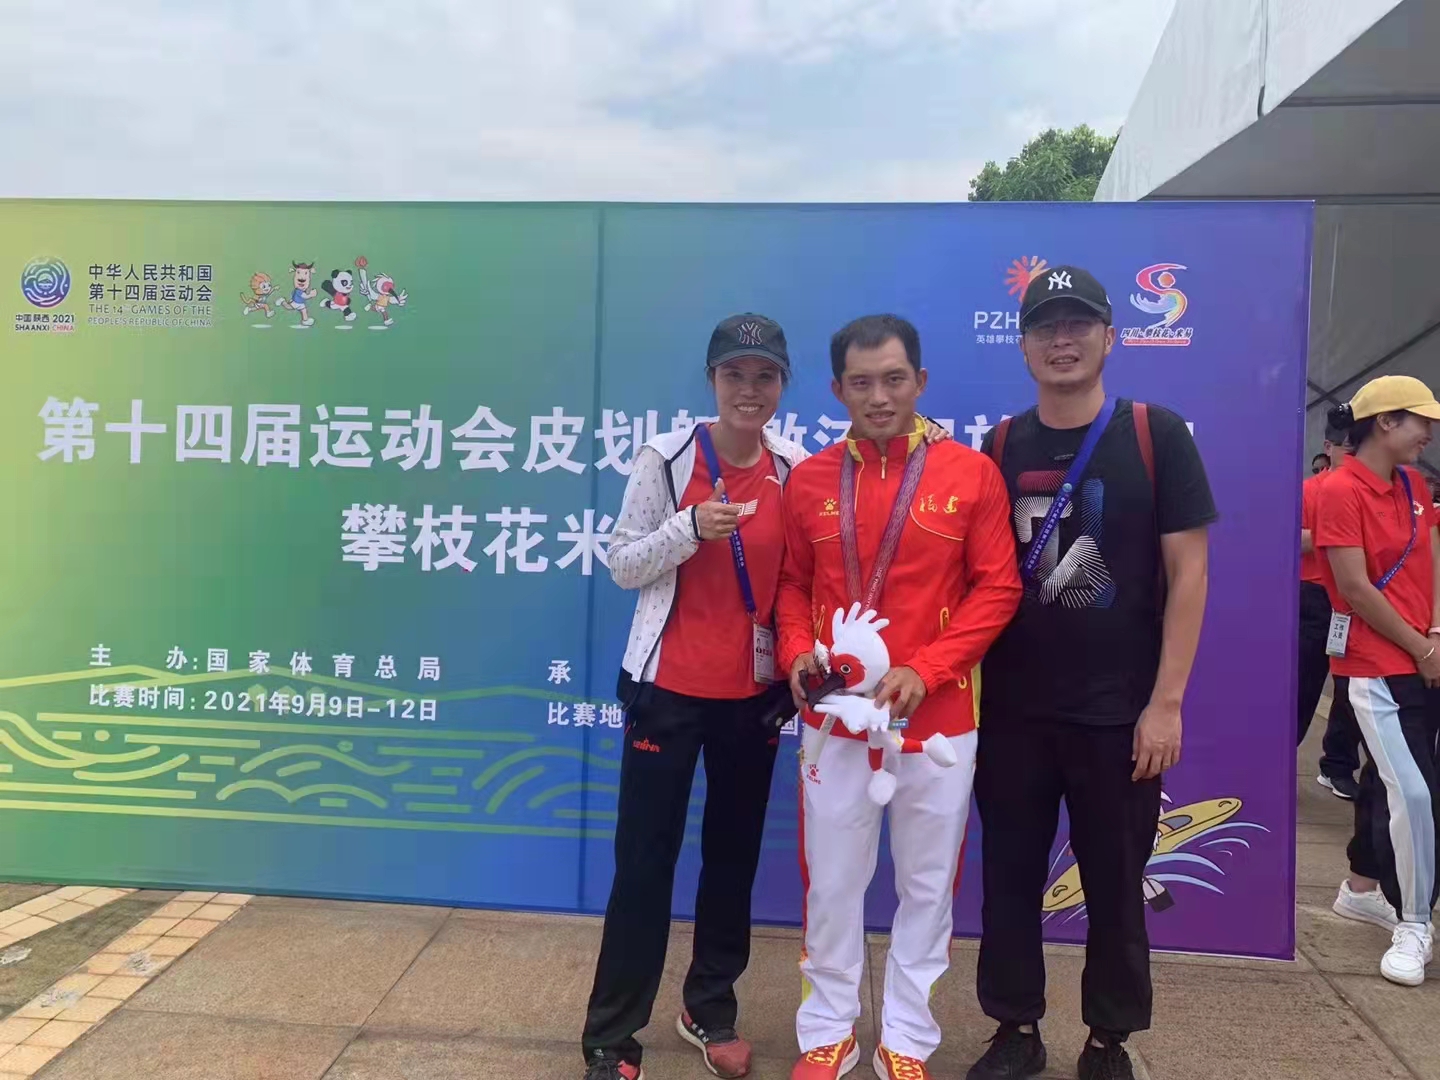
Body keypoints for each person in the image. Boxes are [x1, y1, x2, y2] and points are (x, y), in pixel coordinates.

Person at [581, 314, 951, 1080]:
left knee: (731, 862)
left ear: (783, 384)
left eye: (764, 377)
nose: (749, 390)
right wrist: (688, 528)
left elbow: (807, 577)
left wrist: (926, 449)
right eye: (734, 375)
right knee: (644, 864)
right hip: (664, 695)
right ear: (712, 381)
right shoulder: (667, 458)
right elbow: (621, 564)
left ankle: (708, 1010)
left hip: (751, 701)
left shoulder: (794, 469)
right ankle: (612, 1036)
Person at [969, 266, 1216, 1080]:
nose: (1062, 340)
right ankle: (1015, 1028)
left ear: (1110, 337)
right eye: (1045, 326)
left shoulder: (1156, 434)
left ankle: (1109, 1039)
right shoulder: (997, 448)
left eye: (1078, 324)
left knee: (1115, 885)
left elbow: (1189, 574)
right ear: (1024, 346)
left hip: (1119, 717)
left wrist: (1166, 704)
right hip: (1013, 715)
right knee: (1008, 879)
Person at [777, 314, 1022, 1080]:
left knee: (927, 886)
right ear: (837, 389)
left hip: (938, 723)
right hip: (836, 723)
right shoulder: (809, 481)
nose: (878, 397)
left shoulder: (970, 474)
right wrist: (794, 652)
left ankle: (907, 1041)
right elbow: (791, 586)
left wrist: (932, 667)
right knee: (832, 882)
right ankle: (829, 1031)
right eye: (861, 383)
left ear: (920, 381)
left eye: (893, 379)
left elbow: (998, 587)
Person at [1314, 374, 1440, 987]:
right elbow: (1356, 587)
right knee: (1412, 792)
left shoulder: (1413, 483)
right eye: (1421, 421)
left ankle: (1361, 888)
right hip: (1375, 664)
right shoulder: (1339, 489)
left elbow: (1430, 553)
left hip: (1423, 655)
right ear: (1385, 422)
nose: (1429, 433)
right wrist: (1421, 646)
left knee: (1391, 779)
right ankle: (1415, 920)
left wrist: (1434, 632)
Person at [1303, 427, 1363, 798]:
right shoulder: (1310, 490)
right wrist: (1336, 533)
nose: (1352, 454)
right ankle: (1278, 758)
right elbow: (1289, 538)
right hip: (1313, 596)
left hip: (1356, 602)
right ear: (1328, 447)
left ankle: (1337, 765)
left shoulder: (1369, 491)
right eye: (1346, 447)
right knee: (1303, 684)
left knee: (1350, 689)